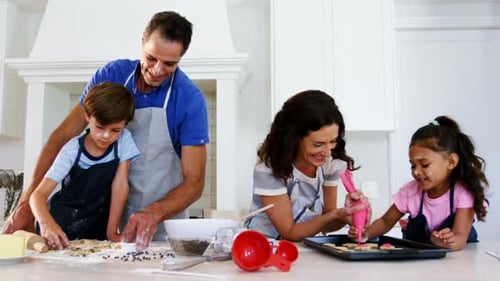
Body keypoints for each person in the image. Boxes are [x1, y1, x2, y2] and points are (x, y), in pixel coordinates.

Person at [3, 11, 209, 250]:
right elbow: (62, 137)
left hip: (155, 229)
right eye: (151, 58)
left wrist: (152, 214)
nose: (157, 69)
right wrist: (27, 204)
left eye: (169, 63)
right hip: (97, 225)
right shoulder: (112, 76)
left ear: (181, 58)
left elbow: (194, 182)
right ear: (142, 42)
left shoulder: (189, 99)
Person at [349, 116, 489, 250]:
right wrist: (366, 234)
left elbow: (459, 239)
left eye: (424, 164)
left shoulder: (463, 193)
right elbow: (385, 222)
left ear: (451, 162)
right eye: (413, 165)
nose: (416, 172)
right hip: (417, 263)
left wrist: (443, 241)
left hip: (458, 264)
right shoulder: (410, 192)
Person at [245, 90, 369, 241]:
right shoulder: (268, 171)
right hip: (263, 247)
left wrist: (348, 214)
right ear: (294, 138)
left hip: (302, 248)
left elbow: (326, 224)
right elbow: (290, 232)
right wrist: (336, 214)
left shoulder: (330, 165)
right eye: (318, 144)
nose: (327, 152)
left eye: (333, 141)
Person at [29, 82, 139, 249]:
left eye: (115, 130)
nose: (106, 136)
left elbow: (120, 186)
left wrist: (111, 232)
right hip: (61, 224)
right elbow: (37, 195)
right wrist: (47, 225)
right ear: (88, 116)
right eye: (100, 127)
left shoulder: (124, 140)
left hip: (97, 224)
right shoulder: (72, 149)